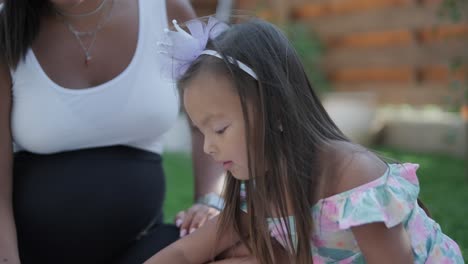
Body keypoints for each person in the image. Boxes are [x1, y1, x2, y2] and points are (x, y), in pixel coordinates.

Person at [144, 17, 464, 263]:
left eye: (220, 129)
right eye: (201, 132)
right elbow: (185, 254)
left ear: (276, 111)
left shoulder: (353, 178)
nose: (208, 147)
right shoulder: (256, 187)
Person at [0, 1, 225, 263]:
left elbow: (214, 119)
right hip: (31, 253)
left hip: (146, 249)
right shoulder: (7, 27)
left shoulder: (168, 10)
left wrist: (209, 201)